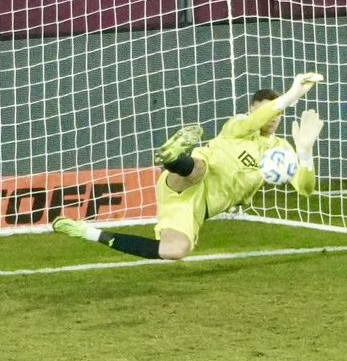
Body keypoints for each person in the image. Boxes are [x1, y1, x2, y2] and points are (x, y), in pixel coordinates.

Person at [52, 72, 324, 261]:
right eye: (269, 110)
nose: (275, 117)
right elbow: (255, 122)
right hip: (188, 176)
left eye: (279, 112)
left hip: (193, 208)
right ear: (252, 109)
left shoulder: (282, 151)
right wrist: (289, 96)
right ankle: (172, 157)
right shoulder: (237, 126)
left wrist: (305, 153)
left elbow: (304, 188)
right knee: (200, 168)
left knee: (174, 250)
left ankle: (87, 232)